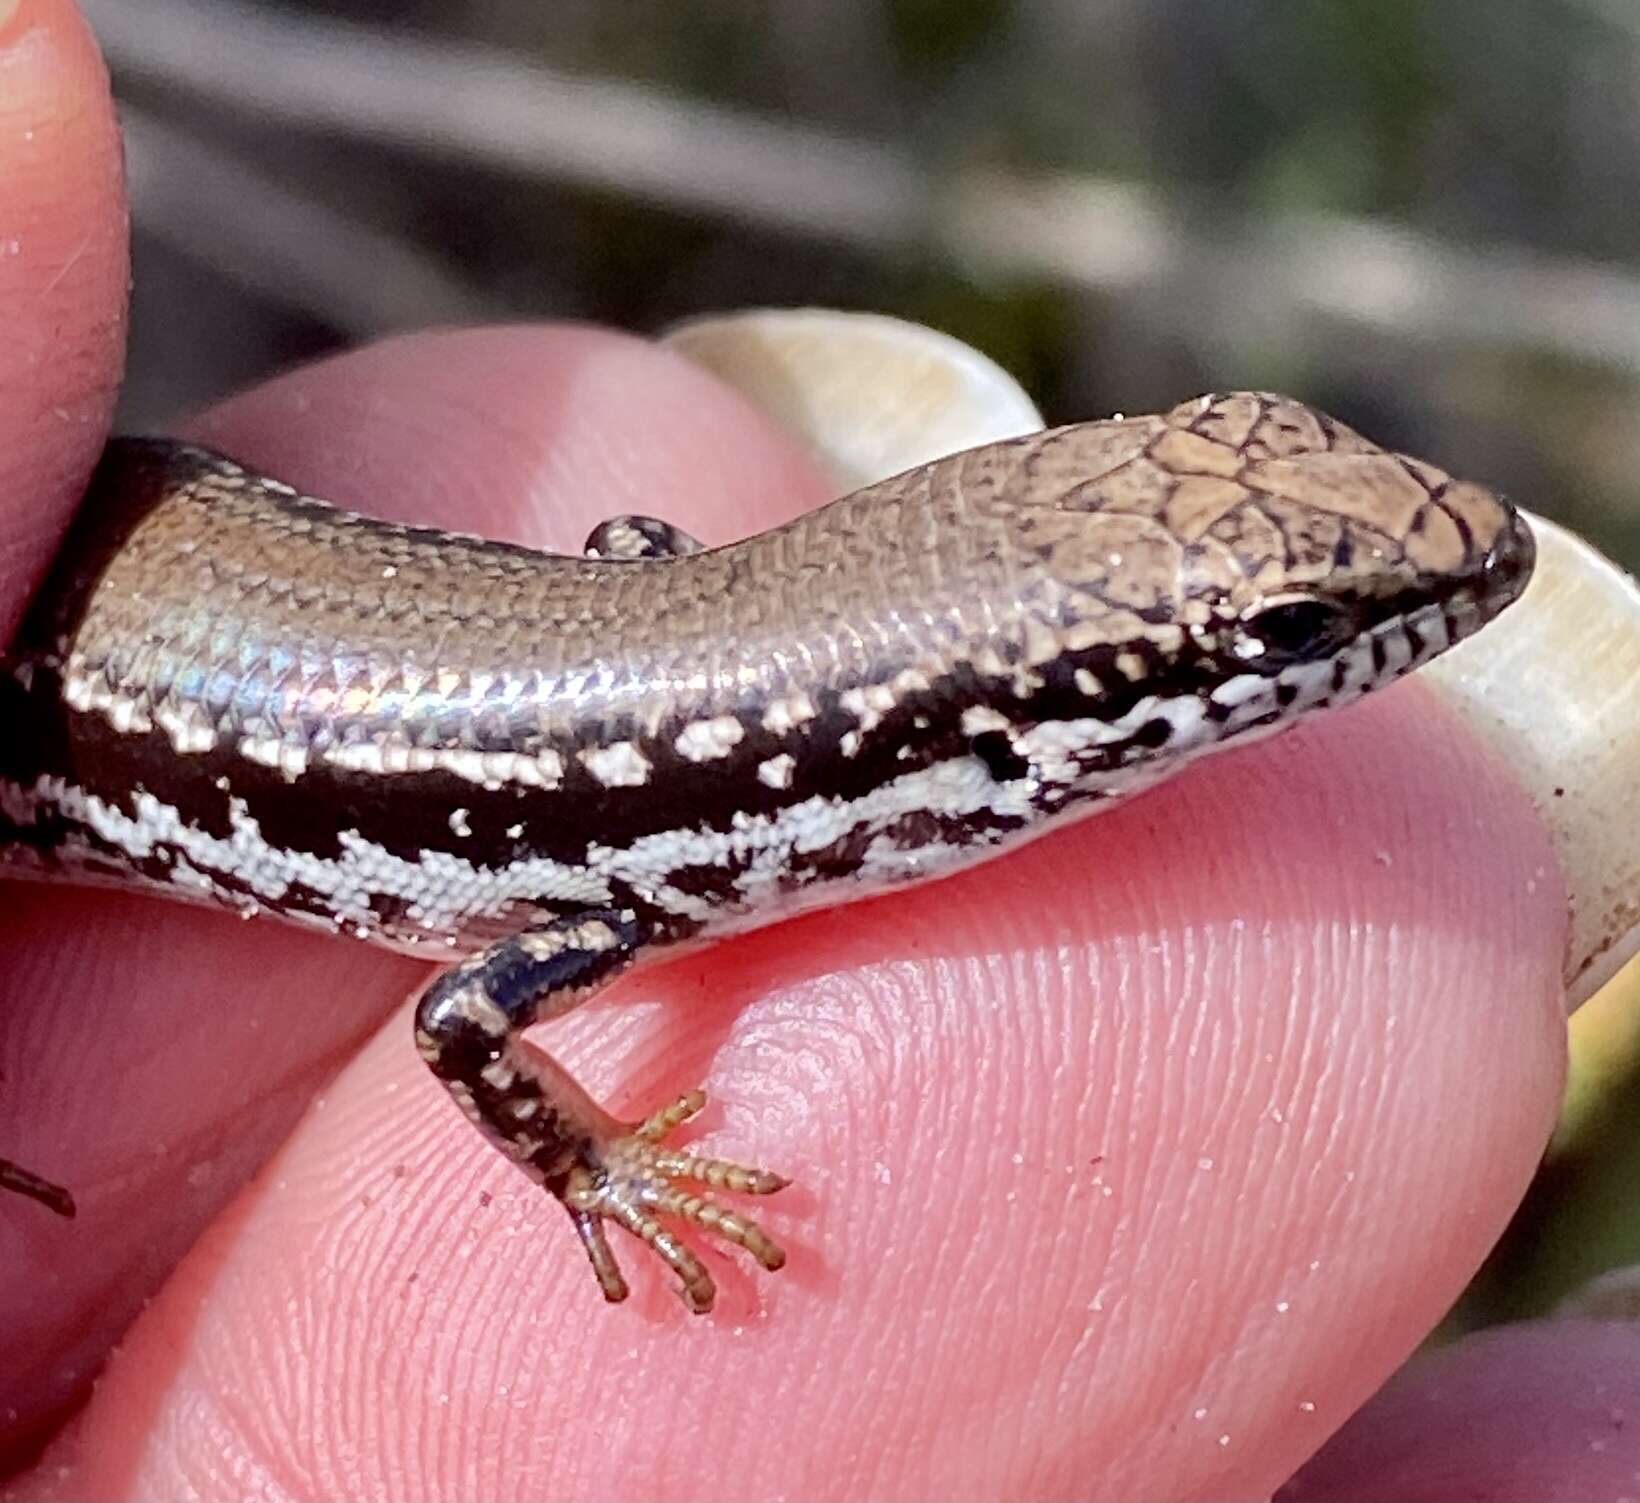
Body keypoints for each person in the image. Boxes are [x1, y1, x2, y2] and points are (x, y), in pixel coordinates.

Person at [2, 2, 1632, 1497]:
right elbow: (463, 1019)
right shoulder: (644, 866)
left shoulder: (686, 811)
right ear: (1012, 735)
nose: (1469, 555)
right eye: (1282, 641)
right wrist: (597, 1170)